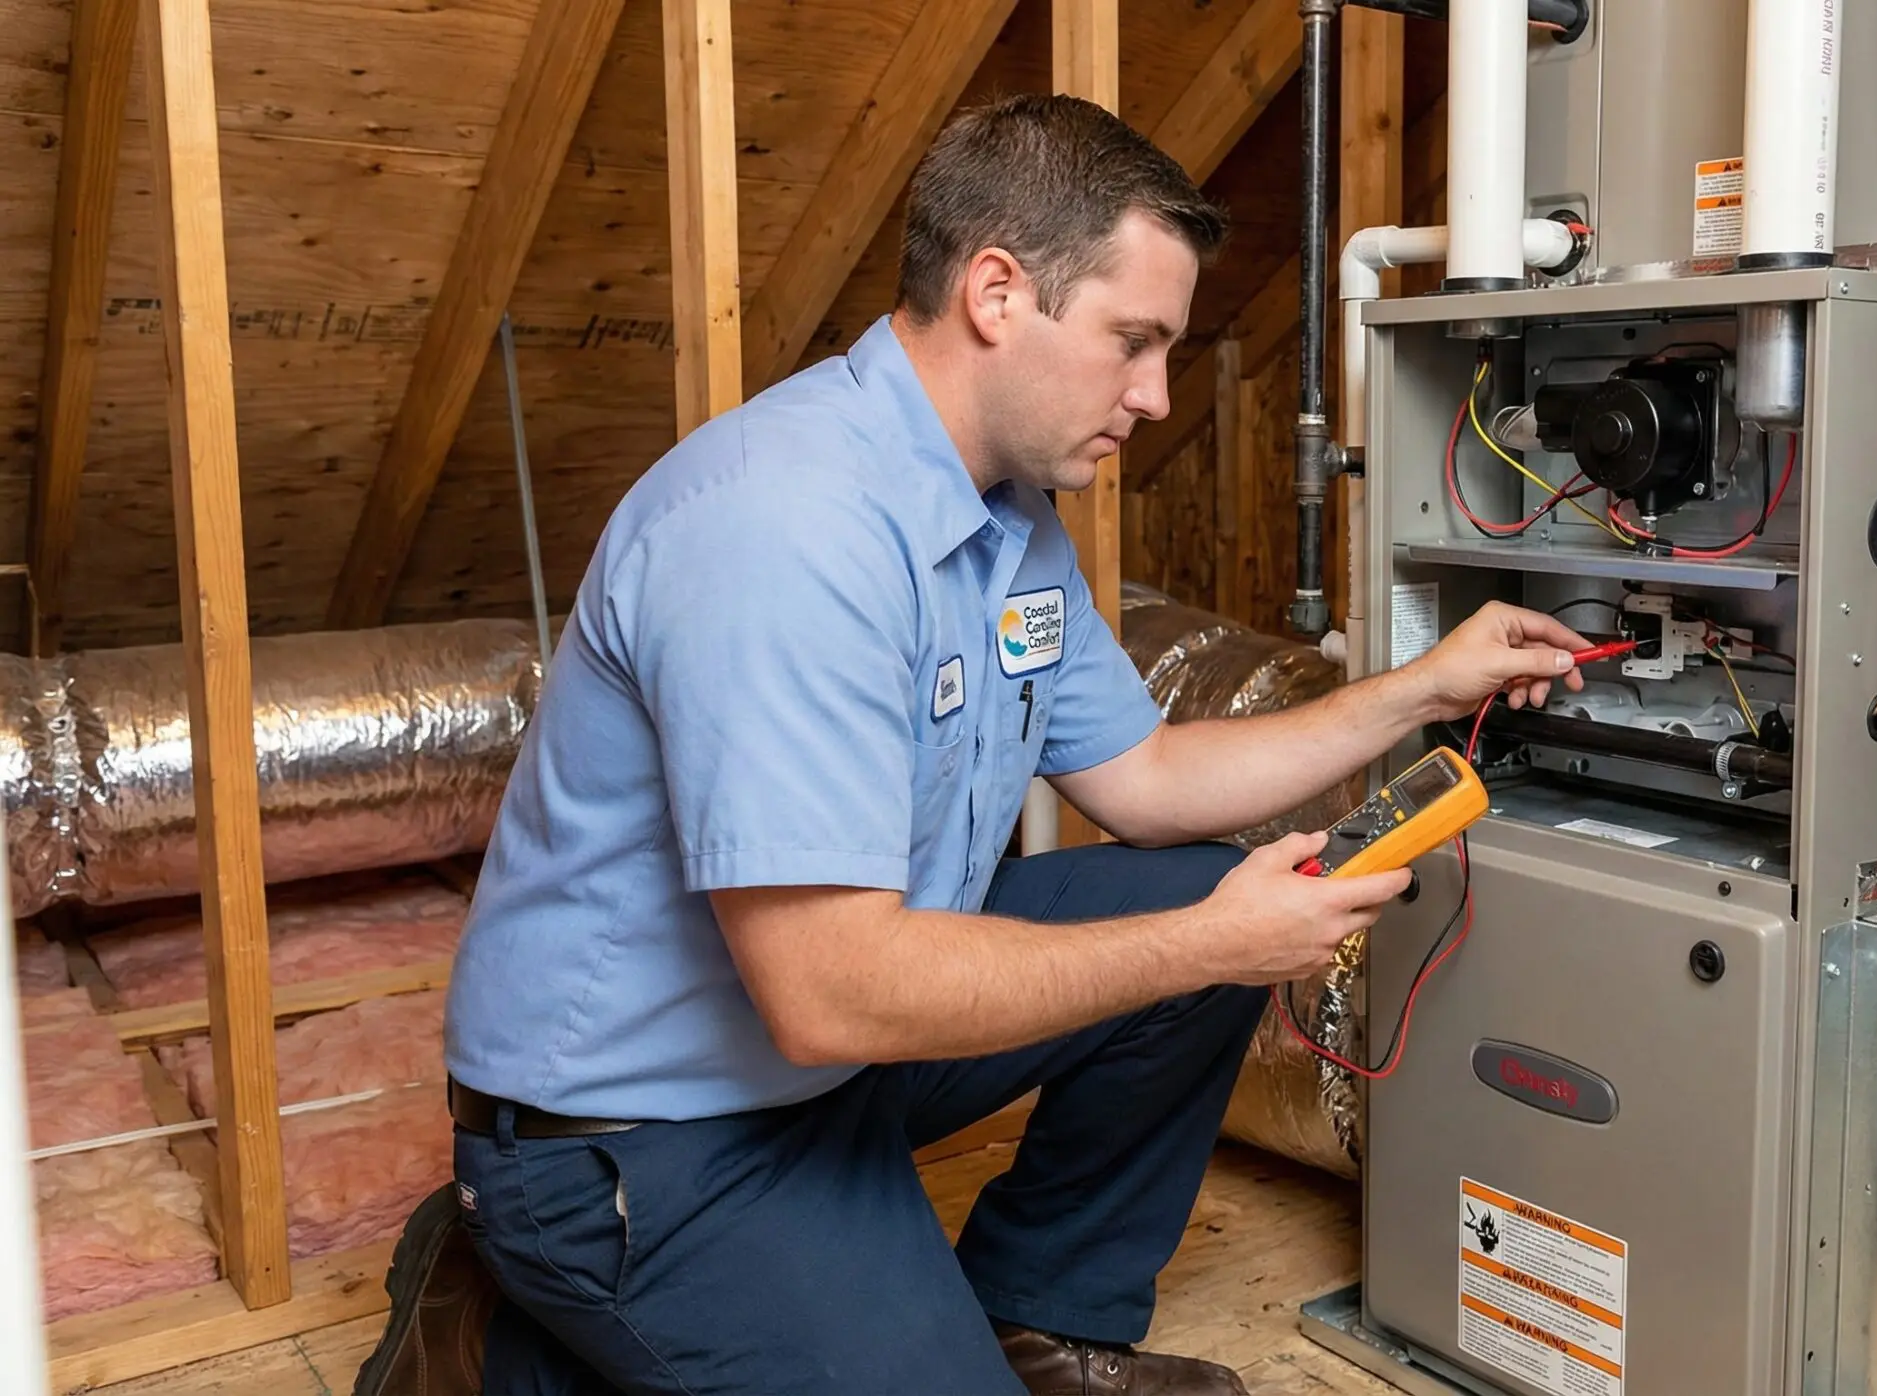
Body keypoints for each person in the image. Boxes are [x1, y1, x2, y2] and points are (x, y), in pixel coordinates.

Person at [354, 93, 1593, 1396]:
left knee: (1184, 899)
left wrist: (1420, 689)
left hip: (818, 1065)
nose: (1157, 396)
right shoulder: (785, 533)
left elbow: (1153, 785)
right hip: (641, 1135)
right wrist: (1208, 943)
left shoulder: (1004, 524)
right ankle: (506, 1322)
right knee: (1192, 934)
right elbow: (829, 992)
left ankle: (1041, 1324)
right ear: (998, 292)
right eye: (1133, 342)